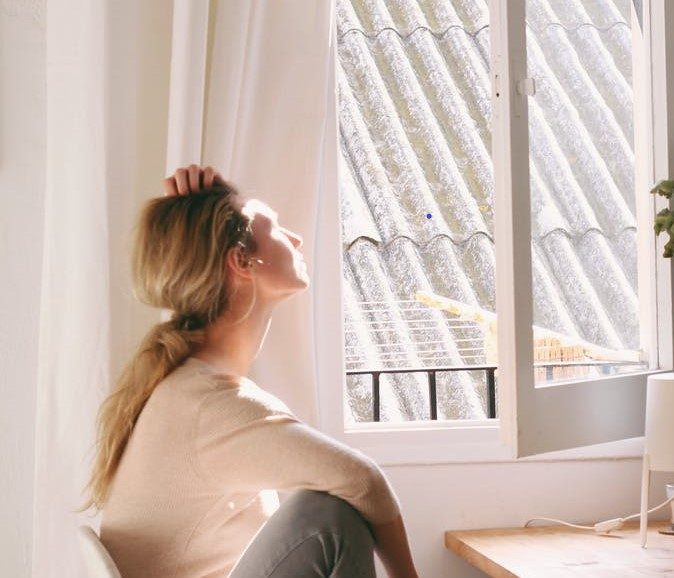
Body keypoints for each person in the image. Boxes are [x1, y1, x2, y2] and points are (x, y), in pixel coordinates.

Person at [78, 165, 420, 578]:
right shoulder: (209, 405)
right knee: (326, 514)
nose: (295, 238)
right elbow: (363, 481)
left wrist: (204, 206)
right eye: (275, 228)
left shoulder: (192, 389)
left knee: (326, 505)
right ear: (242, 261)